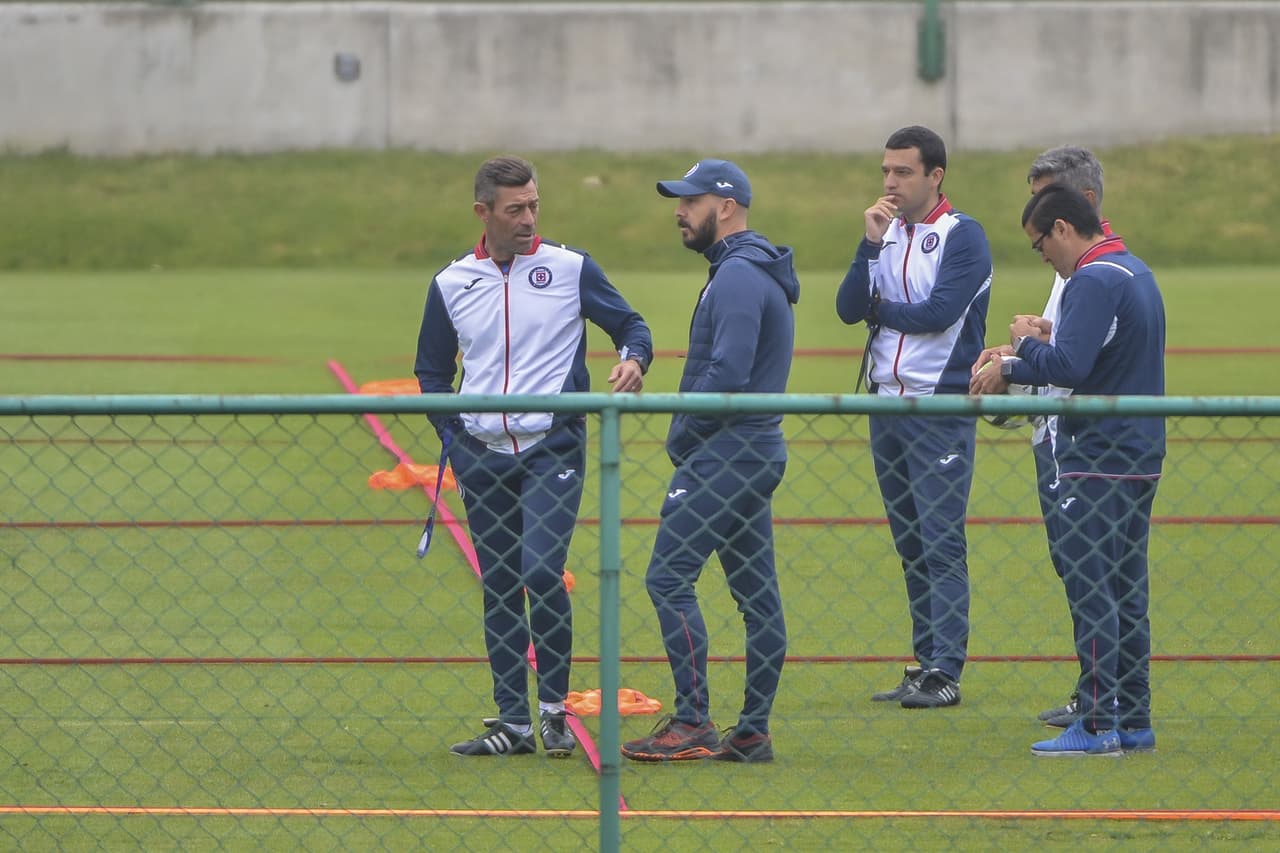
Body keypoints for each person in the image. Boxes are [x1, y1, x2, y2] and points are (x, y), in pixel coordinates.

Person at [414, 155, 653, 757]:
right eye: (515, 208)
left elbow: (631, 323)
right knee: (499, 584)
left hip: (553, 450)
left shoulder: (570, 268)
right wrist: (456, 442)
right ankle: (513, 722)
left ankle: (553, 706)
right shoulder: (450, 283)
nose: (528, 219)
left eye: (534, 206)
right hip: (481, 458)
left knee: (542, 572)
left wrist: (633, 357)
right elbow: (432, 371)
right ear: (483, 212)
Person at [970, 183, 1165, 756]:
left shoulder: (1090, 278)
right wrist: (1051, 334)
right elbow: (1110, 347)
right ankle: (1134, 718)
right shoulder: (1135, 271)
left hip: (1095, 458)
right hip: (1140, 453)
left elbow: (1071, 367)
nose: (1044, 259)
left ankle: (1098, 723)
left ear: (1061, 228)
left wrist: (1016, 354)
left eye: (1039, 246)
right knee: (1128, 589)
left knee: (1091, 589)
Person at [619, 158, 799, 763]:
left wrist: (685, 434)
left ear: (725, 207)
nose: (679, 211)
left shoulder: (741, 275)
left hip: (728, 452)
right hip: (750, 451)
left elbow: (730, 369)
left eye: (690, 201)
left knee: (667, 578)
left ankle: (694, 721)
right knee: (757, 598)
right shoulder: (743, 270)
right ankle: (752, 733)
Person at [835, 125, 992, 709]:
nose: (890, 182)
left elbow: (939, 312)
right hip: (886, 404)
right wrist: (868, 246)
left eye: (902, 172)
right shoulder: (888, 232)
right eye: (885, 171)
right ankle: (926, 660)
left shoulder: (963, 236)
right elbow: (849, 308)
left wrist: (880, 309)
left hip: (940, 407)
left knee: (941, 539)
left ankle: (946, 669)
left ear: (935, 176)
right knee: (910, 541)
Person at [972, 146, 1113, 730]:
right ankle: (1097, 690)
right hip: (1053, 435)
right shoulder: (1076, 269)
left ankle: (1103, 697)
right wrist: (1015, 351)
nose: (1035, 210)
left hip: (1082, 440)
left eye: (1044, 196)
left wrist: (1015, 362)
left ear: (1080, 203)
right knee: (1074, 565)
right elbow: (1065, 344)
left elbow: (1075, 359)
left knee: (1091, 568)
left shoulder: (1100, 272)